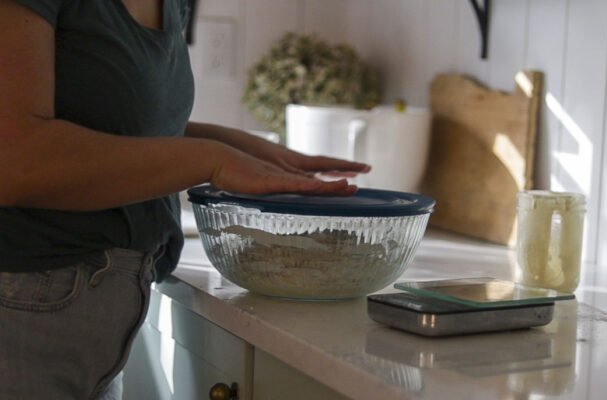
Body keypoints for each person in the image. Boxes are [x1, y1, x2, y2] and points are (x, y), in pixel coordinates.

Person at [0, 0, 370, 398]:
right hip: (22, 306)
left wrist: (246, 151)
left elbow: (116, 120)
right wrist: (212, 159)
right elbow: (14, 160)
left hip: (99, 318)